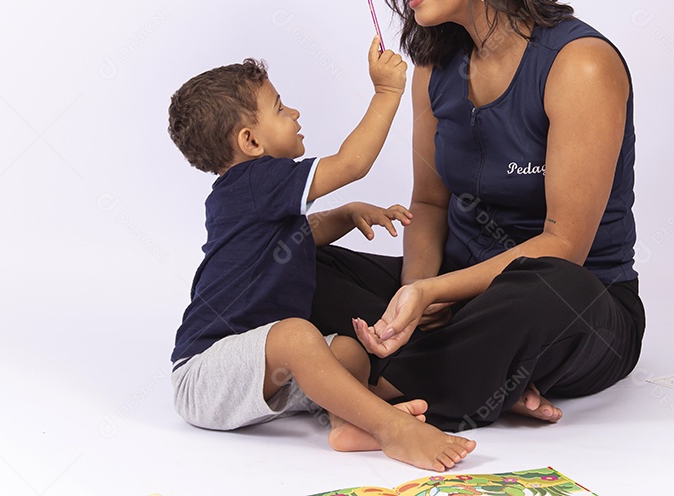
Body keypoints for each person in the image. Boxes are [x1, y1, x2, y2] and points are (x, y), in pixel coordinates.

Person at [310, 0, 646, 432]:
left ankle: (376, 393)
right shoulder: (434, 65)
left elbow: (564, 245)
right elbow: (431, 205)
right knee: (286, 258)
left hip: (574, 305)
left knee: (548, 285)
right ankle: (482, 378)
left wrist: (435, 290)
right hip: (455, 297)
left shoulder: (580, 65)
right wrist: (417, 293)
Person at [166, 38, 476, 471]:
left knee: (347, 351)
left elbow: (298, 236)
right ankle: (391, 429)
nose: (294, 114)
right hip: (206, 375)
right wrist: (387, 93)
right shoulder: (256, 181)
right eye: (279, 108)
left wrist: (347, 214)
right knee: (297, 334)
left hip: (263, 372)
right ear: (250, 141)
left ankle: (346, 424)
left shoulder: (248, 196)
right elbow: (352, 163)